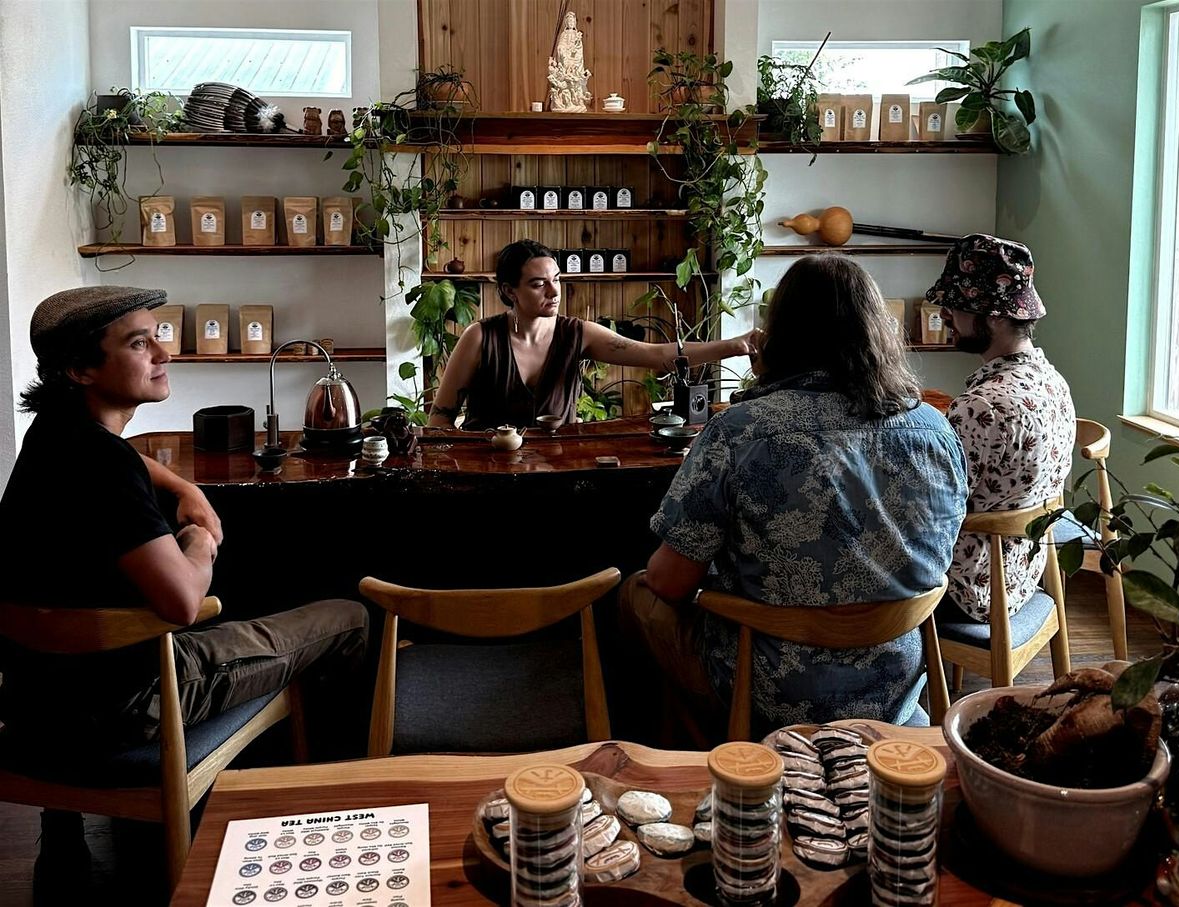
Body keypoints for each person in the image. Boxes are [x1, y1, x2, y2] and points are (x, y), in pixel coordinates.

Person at [0, 286, 369, 759]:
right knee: (349, 618)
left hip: (34, 704)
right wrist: (199, 541)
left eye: (157, 337)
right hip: (130, 703)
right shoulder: (106, 466)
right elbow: (183, 603)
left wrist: (184, 488)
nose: (164, 354)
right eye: (139, 344)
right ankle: (322, 780)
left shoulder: (53, 435)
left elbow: (123, 461)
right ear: (80, 369)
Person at [620, 255, 967, 733]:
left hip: (770, 691)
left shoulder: (740, 431)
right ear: (878, 333)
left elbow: (668, 582)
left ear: (779, 333)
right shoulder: (935, 429)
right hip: (897, 684)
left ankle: (686, 744)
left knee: (637, 593)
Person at [429, 239, 762, 430]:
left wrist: (736, 345)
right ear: (509, 290)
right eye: (538, 284)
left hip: (557, 472)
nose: (553, 292)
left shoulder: (577, 333)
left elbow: (657, 355)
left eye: (557, 280)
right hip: (488, 476)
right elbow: (440, 419)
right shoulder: (480, 338)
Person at [927, 233, 1076, 622]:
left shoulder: (981, 407)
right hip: (1022, 577)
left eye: (956, 305)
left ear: (994, 315)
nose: (945, 314)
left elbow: (932, 513)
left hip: (968, 591)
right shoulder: (1052, 381)